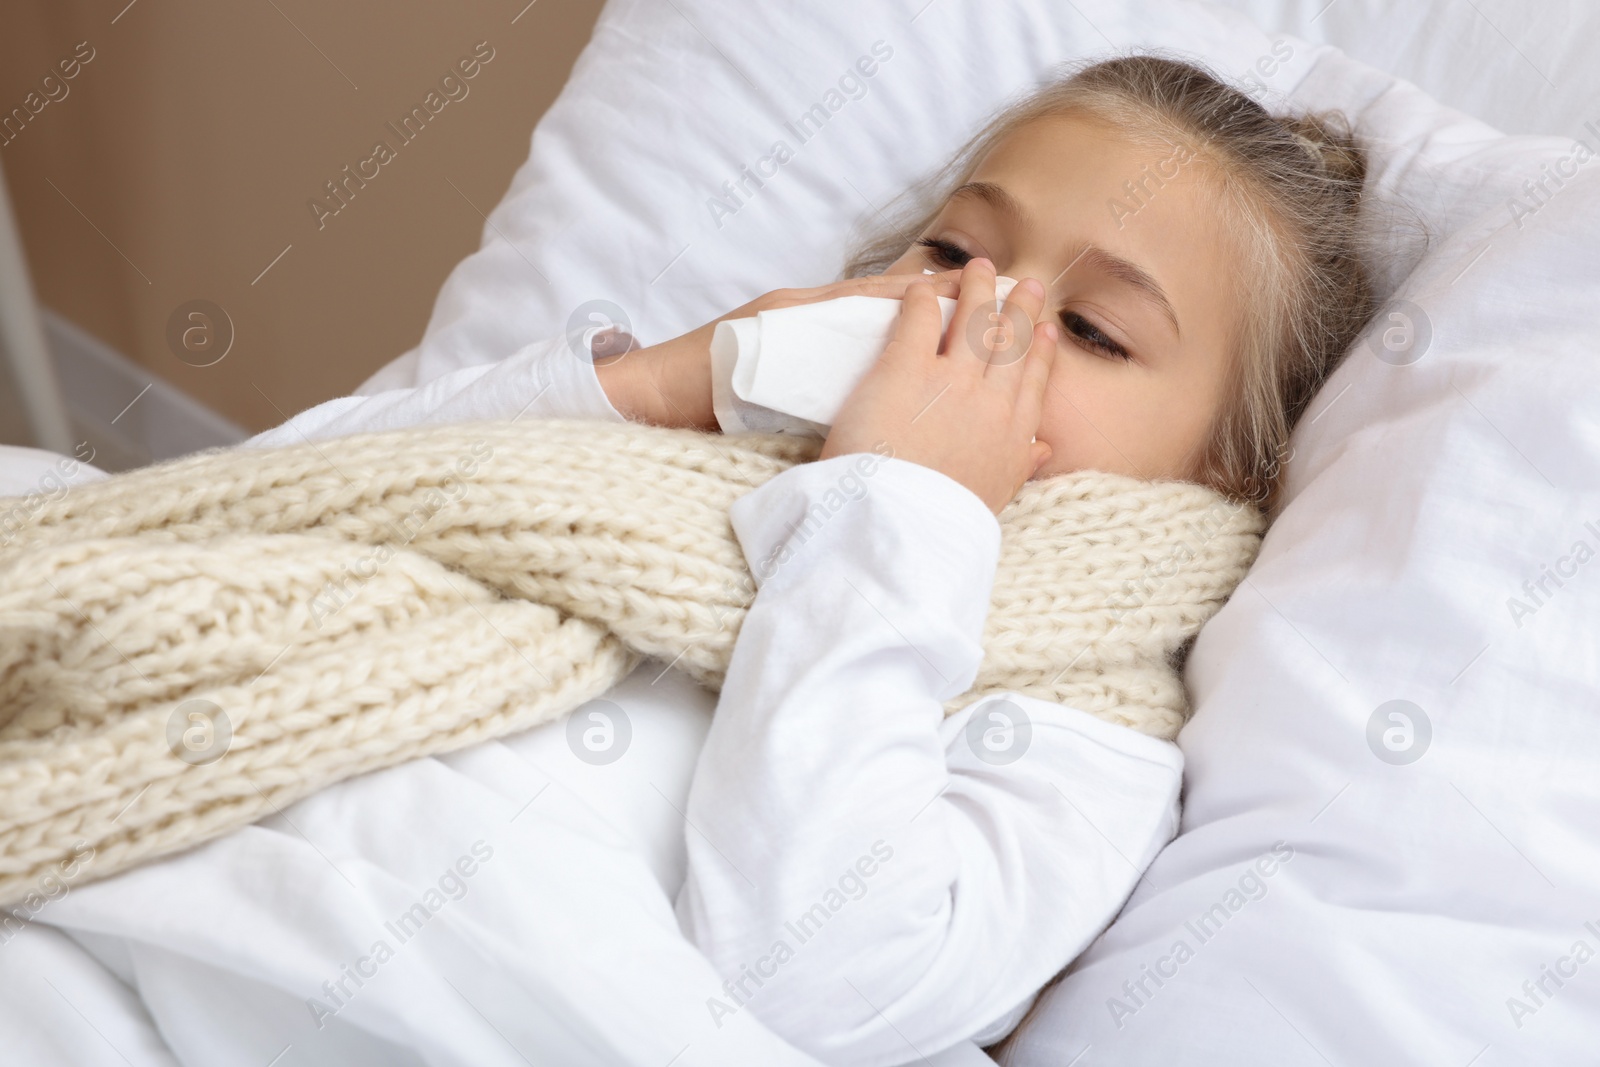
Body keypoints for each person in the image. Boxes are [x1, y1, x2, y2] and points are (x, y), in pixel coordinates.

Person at [17, 55, 1374, 1065]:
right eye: (953, 252)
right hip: (179, 829)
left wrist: (903, 511)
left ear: (1225, 469)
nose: (973, 322)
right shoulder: (698, 459)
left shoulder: (1093, 726)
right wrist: (661, 386)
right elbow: (278, 497)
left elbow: (818, 974)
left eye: (1091, 330)